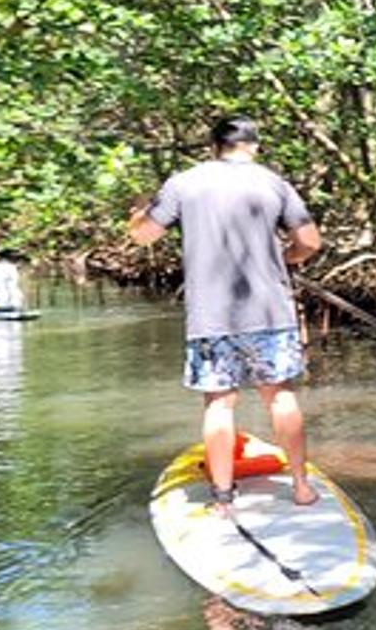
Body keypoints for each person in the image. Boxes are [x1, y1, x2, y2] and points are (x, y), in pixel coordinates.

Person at [128, 117, 323, 518]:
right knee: (280, 395)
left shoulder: (184, 183)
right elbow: (309, 242)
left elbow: (143, 236)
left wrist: (137, 213)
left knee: (219, 404)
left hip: (211, 314)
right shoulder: (274, 184)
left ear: (213, 146)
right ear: (254, 145)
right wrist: (284, 261)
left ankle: (223, 498)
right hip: (270, 309)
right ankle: (302, 488)